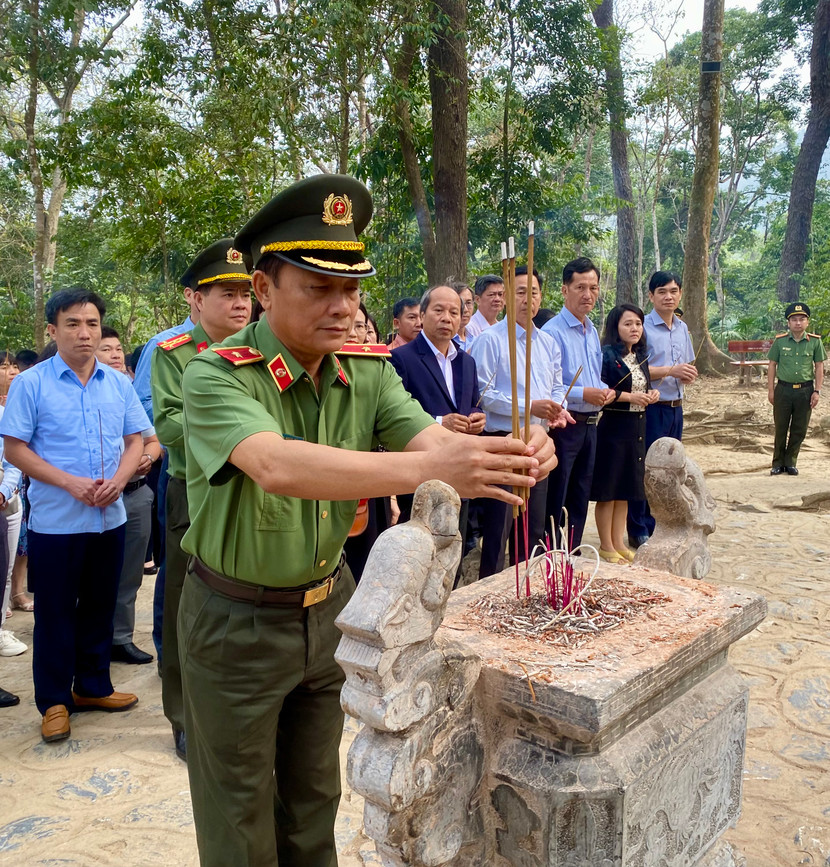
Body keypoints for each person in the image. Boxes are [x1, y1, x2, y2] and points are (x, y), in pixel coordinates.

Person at [176, 174, 556, 867]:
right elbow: (276, 465)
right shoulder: (215, 375)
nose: (343, 307)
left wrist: (513, 451)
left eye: (351, 289)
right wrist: (433, 468)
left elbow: (431, 442)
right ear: (263, 288)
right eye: (319, 287)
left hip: (330, 611)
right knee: (238, 816)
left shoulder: (366, 371)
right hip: (235, 622)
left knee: (315, 800)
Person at [1, 289, 150, 743]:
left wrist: (120, 480)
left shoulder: (117, 383)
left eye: (91, 324)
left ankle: (92, 686)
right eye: (72, 324)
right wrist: (70, 483)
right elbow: (15, 449)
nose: (84, 333)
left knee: (101, 606)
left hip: (110, 518)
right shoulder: (31, 384)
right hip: (57, 523)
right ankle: (54, 701)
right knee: (55, 613)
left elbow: (136, 440)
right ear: (53, 329)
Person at [151, 238, 252, 761]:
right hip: (193, 493)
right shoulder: (174, 354)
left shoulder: (262, 350)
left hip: (252, 491)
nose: (240, 304)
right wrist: (243, 433)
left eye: (245, 294)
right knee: (184, 607)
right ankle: (183, 716)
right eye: (226, 293)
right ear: (195, 298)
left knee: (248, 601)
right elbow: (169, 426)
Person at [471, 266, 572, 578]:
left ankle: (525, 584)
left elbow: (558, 385)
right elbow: (484, 395)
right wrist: (530, 406)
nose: (528, 299)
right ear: (506, 298)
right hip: (504, 439)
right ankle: (490, 585)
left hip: (537, 441)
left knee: (533, 525)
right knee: (499, 524)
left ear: (542, 297)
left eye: (534, 292)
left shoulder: (548, 342)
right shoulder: (490, 340)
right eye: (520, 292)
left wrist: (559, 407)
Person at [390, 283, 486, 530]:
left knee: (455, 540)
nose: (446, 318)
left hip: (460, 466)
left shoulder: (466, 361)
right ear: (422, 315)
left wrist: (477, 416)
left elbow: (473, 404)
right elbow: (394, 416)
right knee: (420, 541)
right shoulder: (402, 359)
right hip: (421, 470)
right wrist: (440, 422)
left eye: (454, 312)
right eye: (439, 310)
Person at [96, 327, 162, 665]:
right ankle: (89, 644)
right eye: (106, 349)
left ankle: (120, 638)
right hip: (95, 498)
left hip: (136, 494)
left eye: (118, 348)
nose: (115, 354)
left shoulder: (126, 390)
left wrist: (147, 458)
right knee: (93, 577)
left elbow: (152, 440)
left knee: (130, 574)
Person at [542, 257, 616, 549]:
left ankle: (572, 553)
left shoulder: (591, 330)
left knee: (581, 494)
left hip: (591, 425)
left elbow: (593, 376)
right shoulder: (552, 332)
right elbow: (550, 385)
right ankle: (550, 554)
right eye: (580, 287)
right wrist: (585, 394)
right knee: (557, 493)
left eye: (593, 288)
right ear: (564, 290)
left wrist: (604, 391)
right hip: (564, 424)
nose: (588, 294)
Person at [626, 270, 698, 547]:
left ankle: (659, 523)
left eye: (673, 291)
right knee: (646, 467)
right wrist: (670, 370)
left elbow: (686, 364)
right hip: (650, 408)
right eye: (662, 292)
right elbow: (634, 369)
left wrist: (686, 374)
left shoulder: (682, 328)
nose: (668, 297)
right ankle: (638, 527)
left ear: (680, 293)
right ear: (651, 296)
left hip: (675, 408)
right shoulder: (642, 327)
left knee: (669, 468)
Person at [590, 305, 660, 563]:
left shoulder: (640, 355)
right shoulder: (607, 355)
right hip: (614, 429)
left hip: (637, 427)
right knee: (609, 490)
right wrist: (631, 397)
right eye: (628, 324)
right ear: (615, 327)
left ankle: (619, 543)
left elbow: (644, 386)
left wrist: (652, 394)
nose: (634, 329)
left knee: (625, 490)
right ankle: (606, 545)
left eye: (638, 324)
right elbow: (602, 392)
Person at [767, 302, 825, 475]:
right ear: (788, 323)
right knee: (781, 427)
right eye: (794, 319)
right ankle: (777, 463)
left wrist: (817, 391)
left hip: (805, 391)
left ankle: (790, 462)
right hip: (783, 390)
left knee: (799, 429)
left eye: (801, 319)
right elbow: (772, 365)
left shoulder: (815, 342)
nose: (798, 323)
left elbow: (819, 366)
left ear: (807, 322)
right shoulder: (780, 341)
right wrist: (771, 390)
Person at [450, 281, 476, 352]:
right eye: (460, 303)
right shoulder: (443, 341)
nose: (465, 309)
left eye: (468, 303)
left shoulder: (475, 340)